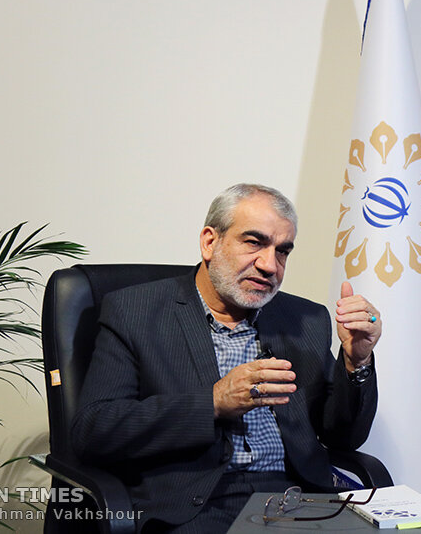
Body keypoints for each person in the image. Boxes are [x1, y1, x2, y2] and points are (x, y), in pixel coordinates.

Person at [71, 183, 382, 533]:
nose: (270, 265)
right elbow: (94, 431)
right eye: (254, 242)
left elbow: (342, 438)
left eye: (282, 251)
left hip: (300, 500)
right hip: (198, 506)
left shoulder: (305, 320)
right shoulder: (134, 312)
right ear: (210, 242)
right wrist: (214, 402)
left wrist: (356, 363)